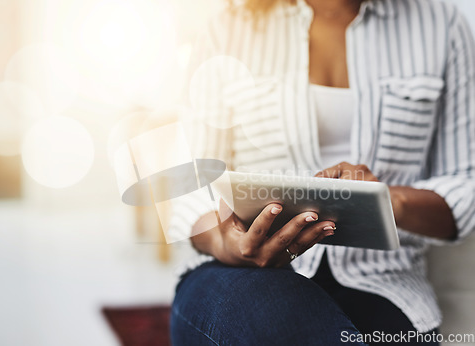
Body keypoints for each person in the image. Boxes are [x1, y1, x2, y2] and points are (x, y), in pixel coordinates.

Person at [169, 0, 475, 344]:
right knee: (275, 307)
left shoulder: (441, 25)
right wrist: (225, 241)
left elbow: (465, 183)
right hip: (237, 276)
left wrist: (394, 200)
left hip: (386, 283)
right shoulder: (227, 29)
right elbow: (188, 184)